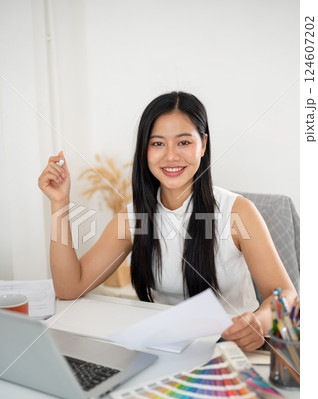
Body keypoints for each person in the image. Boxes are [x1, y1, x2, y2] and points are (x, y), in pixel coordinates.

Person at [38, 91, 298, 352]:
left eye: (184, 142)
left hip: (232, 350)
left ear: (203, 144)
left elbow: (287, 295)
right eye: (158, 144)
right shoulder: (133, 219)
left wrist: (261, 323)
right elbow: (69, 287)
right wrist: (59, 203)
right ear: (144, 150)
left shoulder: (238, 212)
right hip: (166, 348)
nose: (171, 156)